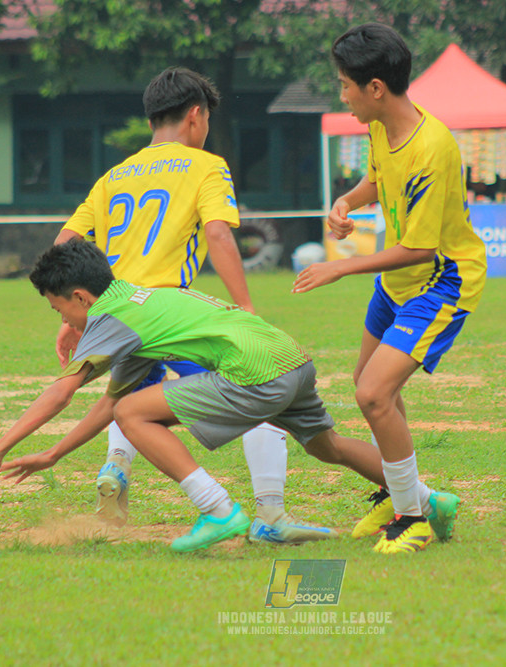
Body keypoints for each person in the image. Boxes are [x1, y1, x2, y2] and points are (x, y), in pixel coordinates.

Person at [0, 240, 388, 553]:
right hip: (292, 358)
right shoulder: (139, 300)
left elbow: (63, 393)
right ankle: (421, 499)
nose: (63, 319)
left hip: (255, 372)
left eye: (59, 309)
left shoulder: (108, 319)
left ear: (81, 297)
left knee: (134, 413)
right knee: (327, 446)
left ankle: (218, 510)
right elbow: (109, 403)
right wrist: (52, 454)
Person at [53, 67, 327, 543]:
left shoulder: (113, 176)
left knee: (127, 397)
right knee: (256, 384)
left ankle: (116, 465)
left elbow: (65, 245)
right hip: (170, 310)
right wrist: (244, 307)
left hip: (118, 314)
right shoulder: (206, 166)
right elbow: (218, 232)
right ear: (196, 116)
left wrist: (79, 317)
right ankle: (270, 515)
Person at [293, 23, 487, 553]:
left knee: (373, 394)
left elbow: (421, 249)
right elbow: (378, 181)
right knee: (369, 384)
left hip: (442, 279)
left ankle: (414, 518)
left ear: (374, 87)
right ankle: (407, 495)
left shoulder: (433, 147)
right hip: (398, 278)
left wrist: (338, 267)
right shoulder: (381, 126)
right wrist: (347, 203)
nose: (342, 95)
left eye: (344, 85)